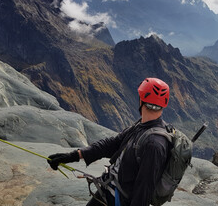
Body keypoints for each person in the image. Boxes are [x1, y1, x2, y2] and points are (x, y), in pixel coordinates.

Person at [47, 77, 171, 206]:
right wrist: (72, 156)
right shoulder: (142, 126)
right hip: (109, 192)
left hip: (117, 200)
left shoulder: (154, 143)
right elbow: (111, 144)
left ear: (141, 100)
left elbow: (144, 189)